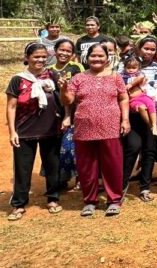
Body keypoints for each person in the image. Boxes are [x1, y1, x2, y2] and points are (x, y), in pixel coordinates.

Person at [61, 43, 130, 217]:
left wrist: (125, 120)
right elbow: (68, 100)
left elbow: (123, 98)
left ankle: (114, 200)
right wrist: (63, 88)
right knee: (86, 167)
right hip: (84, 128)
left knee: (112, 165)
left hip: (110, 127)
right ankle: (90, 201)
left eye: (100, 56)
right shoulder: (78, 78)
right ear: (87, 57)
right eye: (93, 55)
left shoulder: (115, 77)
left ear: (107, 58)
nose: (97, 59)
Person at [6, 43, 64, 220]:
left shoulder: (53, 75)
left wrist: (64, 88)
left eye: (43, 56)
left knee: (52, 165)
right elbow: (11, 106)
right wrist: (12, 132)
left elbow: (64, 100)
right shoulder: (18, 79)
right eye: (36, 56)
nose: (40, 60)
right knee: (22, 169)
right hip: (24, 131)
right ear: (27, 58)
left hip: (51, 128)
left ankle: (53, 199)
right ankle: (19, 204)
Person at [122, 36, 157, 200]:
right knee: (132, 147)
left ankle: (145, 187)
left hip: (151, 111)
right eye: (146, 48)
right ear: (139, 48)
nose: (149, 52)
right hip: (130, 113)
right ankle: (122, 185)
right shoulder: (123, 65)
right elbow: (119, 89)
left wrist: (136, 94)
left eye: (153, 49)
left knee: (149, 149)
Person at [47, 39, 82, 189]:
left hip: (73, 113)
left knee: (73, 147)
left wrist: (68, 116)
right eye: (61, 50)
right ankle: (60, 179)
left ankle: (80, 178)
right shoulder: (48, 70)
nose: (64, 53)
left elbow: (78, 91)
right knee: (55, 147)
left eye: (68, 51)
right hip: (53, 114)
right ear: (55, 51)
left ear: (73, 54)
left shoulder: (76, 67)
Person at [121, 56, 157, 135]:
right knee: (141, 107)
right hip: (132, 100)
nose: (131, 70)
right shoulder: (122, 77)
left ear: (138, 68)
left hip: (143, 96)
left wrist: (131, 84)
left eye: (134, 68)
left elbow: (141, 77)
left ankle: (154, 125)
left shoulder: (139, 75)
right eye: (128, 67)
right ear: (124, 67)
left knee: (151, 105)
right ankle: (151, 126)